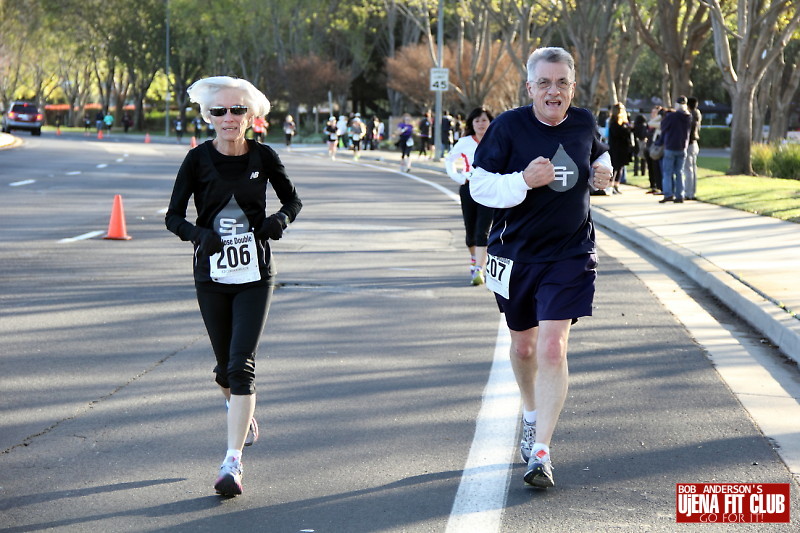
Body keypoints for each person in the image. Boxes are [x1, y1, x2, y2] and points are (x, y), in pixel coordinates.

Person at [469, 47, 612, 489]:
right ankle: (531, 415)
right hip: (515, 255)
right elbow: (479, 185)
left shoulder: (584, 121)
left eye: (562, 83)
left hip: (570, 253)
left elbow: (599, 155)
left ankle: (542, 451)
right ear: (530, 87)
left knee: (553, 347)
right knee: (525, 347)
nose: (554, 91)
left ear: (573, 86)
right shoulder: (509, 127)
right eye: (545, 83)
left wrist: (605, 173)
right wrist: (521, 182)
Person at [165, 76, 302, 497]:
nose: (229, 118)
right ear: (208, 116)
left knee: (242, 365)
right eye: (220, 111)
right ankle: (237, 407)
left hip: (256, 275)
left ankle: (232, 461)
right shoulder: (196, 160)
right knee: (224, 368)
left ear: (251, 115)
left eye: (237, 110)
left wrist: (279, 220)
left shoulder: (264, 155)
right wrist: (196, 234)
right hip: (210, 274)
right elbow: (173, 216)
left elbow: (292, 201)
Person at [445, 106, 495, 286]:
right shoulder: (465, 142)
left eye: (484, 120)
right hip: (469, 189)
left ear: (491, 122)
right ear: (471, 124)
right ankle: (474, 259)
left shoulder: (497, 140)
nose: (481, 124)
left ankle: (479, 269)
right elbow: (449, 160)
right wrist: (460, 177)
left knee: (483, 230)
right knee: (470, 231)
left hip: (489, 189)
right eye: (477, 120)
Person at [658, 96, 692, 203]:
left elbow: (663, 127)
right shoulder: (688, 116)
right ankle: (679, 195)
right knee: (679, 172)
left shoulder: (672, 116)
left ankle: (668, 194)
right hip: (682, 147)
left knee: (667, 172)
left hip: (671, 146)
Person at [607, 102, 634, 194]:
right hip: (616, 148)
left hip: (623, 148)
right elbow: (618, 133)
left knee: (620, 168)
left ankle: (616, 185)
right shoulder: (614, 121)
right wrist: (627, 129)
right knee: (614, 167)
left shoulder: (624, 122)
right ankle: (611, 186)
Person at [683, 97, 702, 200]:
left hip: (689, 144)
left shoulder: (690, 116)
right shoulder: (697, 114)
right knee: (693, 169)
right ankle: (692, 192)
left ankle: (688, 193)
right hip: (695, 143)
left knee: (688, 169)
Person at [645, 106, 664, 194]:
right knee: (651, 168)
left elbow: (651, 123)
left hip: (657, 148)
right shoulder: (652, 123)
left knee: (658, 168)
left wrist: (658, 117)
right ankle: (653, 186)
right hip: (649, 146)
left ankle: (659, 187)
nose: (652, 114)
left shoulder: (659, 122)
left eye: (655, 113)